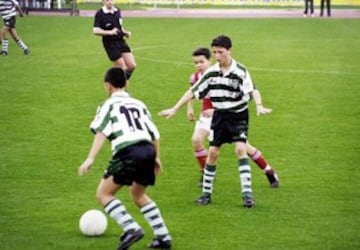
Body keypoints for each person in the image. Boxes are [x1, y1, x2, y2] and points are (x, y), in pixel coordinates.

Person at [159, 35, 272, 208]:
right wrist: (175, 108)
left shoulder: (240, 71)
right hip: (219, 116)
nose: (218, 56)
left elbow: (253, 90)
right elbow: (193, 91)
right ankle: (206, 194)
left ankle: (247, 195)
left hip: (238, 115)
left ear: (229, 51)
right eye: (215, 52)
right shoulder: (211, 72)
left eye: (221, 52)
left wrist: (259, 105)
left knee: (240, 149)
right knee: (212, 153)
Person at [78, 67, 171, 250]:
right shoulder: (139, 104)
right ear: (126, 84)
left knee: (104, 194)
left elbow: (101, 132)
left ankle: (131, 229)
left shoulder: (107, 105)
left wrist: (90, 158)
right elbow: (155, 134)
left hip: (128, 152)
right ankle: (163, 237)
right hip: (147, 150)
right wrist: (156, 157)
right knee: (139, 194)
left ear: (108, 86)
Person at [187, 47, 279, 189]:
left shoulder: (225, 73)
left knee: (244, 148)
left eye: (201, 62)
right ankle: (205, 172)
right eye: (196, 63)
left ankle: (268, 170)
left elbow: (246, 92)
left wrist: (215, 109)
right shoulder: (196, 77)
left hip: (225, 115)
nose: (199, 65)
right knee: (196, 140)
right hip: (207, 117)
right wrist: (190, 107)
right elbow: (192, 92)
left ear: (209, 61)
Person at [93, 0, 136, 80]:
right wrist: (110, 32)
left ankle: (115, 83)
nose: (110, 2)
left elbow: (119, 26)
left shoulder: (117, 11)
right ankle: (121, 89)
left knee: (132, 65)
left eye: (111, 0)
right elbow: (95, 30)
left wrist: (125, 32)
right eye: (107, 0)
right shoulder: (100, 13)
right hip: (110, 44)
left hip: (121, 41)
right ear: (103, 1)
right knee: (122, 69)